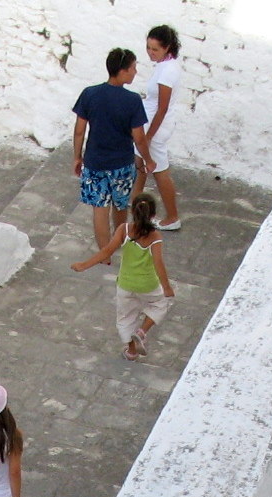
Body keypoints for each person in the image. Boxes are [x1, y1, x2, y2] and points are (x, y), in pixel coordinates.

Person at [73, 195, 174, 361]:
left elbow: (107, 251)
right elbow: (158, 263)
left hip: (125, 285)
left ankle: (131, 352)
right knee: (160, 304)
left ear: (132, 212)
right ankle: (142, 331)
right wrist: (167, 287)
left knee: (126, 319)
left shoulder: (124, 230)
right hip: (148, 285)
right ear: (153, 215)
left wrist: (84, 265)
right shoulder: (155, 237)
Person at [72, 49, 150, 254]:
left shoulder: (89, 94)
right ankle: (120, 242)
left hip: (94, 162)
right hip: (121, 164)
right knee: (120, 205)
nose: (135, 72)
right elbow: (139, 138)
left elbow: (79, 130)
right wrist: (148, 159)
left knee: (100, 208)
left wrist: (77, 157)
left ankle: (104, 253)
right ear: (122, 71)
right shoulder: (132, 100)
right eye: (133, 68)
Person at [137, 26, 183, 230]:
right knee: (139, 164)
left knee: (158, 169)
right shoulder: (164, 65)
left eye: (155, 49)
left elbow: (162, 108)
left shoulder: (168, 70)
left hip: (155, 127)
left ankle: (172, 217)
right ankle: (134, 203)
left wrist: (148, 137)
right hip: (148, 123)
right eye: (148, 47)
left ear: (167, 48)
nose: (150, 52)